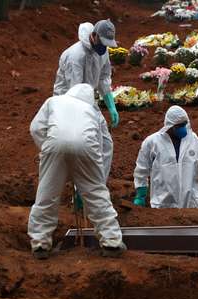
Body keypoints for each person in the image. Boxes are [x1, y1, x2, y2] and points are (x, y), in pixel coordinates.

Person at [28, 84, 126, 260]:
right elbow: (104, 144)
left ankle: (40, 243)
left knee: (46, 195)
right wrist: (96, 176)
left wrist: (48, 149)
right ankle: (112, 242)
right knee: (97, 194)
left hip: (54, 144)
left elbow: (35, 128)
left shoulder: (53, 101)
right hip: (87, 148)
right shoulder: (93, 111)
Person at [53, 20, 119, 201]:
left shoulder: (102, 52)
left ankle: (96, 189)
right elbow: (75, 90)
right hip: (70, 104)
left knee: (106, 144)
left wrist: (110, 105)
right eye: (103, 43)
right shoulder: (76, 56)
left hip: (90, 102)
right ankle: (81, 191)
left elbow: (104, 78)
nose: (104, 48)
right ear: (94, 36)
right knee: (86, 147)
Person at [132, 106, 198, 208]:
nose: (183, 128)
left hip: (191, 203)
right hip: (163, 204)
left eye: (185, 124)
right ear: (170, 126)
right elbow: (142, 168)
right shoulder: (152, 142)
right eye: (179, 126)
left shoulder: (192, 139)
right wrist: (140, 193)